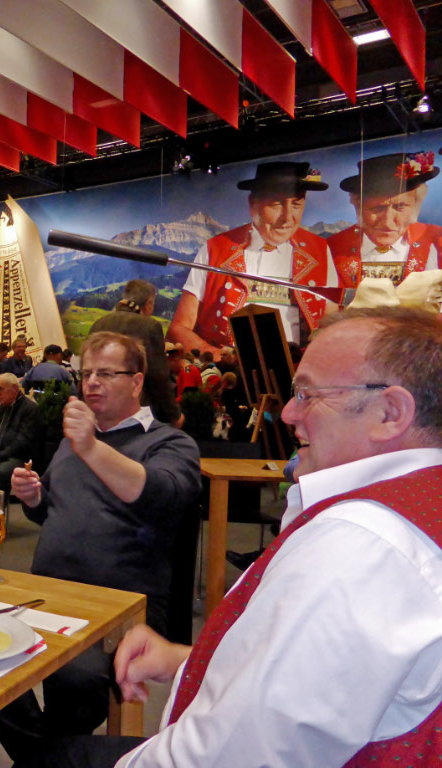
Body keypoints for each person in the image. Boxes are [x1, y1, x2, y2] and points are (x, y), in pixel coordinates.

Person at [34, 307, 442, 768]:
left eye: (308, 394)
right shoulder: (409, 511)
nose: (287, 413)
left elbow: (231, 755)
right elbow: (319, 686)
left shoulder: (358, 548)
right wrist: (188, 660)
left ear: (390, 413)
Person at [0, 331, 201, 762]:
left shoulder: (168, 443)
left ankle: (47, 756)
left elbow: (162, 496)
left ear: (137, 382)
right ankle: (49, 759)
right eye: (86, 374)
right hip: (47, 595)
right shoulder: (75, 442)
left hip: (121, 610)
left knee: (75, 680)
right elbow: (55, 513)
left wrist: (89, 447)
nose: (91, 383)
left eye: (106, 374)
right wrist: (35, 497)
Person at [168, 161, 338, 355]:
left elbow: (332, 321)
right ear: (252, 204)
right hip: (229, 369)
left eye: (296, 204)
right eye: (276, 204)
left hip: (299, 368)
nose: (288, 217)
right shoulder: (215, 249)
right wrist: (216, 356)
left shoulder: (319, 250)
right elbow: (179, 328)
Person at [329, 151, 442, 289]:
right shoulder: (333, 248)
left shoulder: (436, 240)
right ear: (357, 205)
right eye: (376, 208)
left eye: (400, 207)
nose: (387, 222)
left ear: (416, 204)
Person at [91, 279, 179, 425]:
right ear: (148, 303)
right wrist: (173, 415)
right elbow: (158, 377)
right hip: (138, 414)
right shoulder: (150, 326)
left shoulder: (97, 325)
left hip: (101, 411)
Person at [0, 373, 43, 496]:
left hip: (18, 458)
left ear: (15, 388)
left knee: (1, 473)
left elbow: (22, 443)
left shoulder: (30, 409)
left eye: (0, 389)